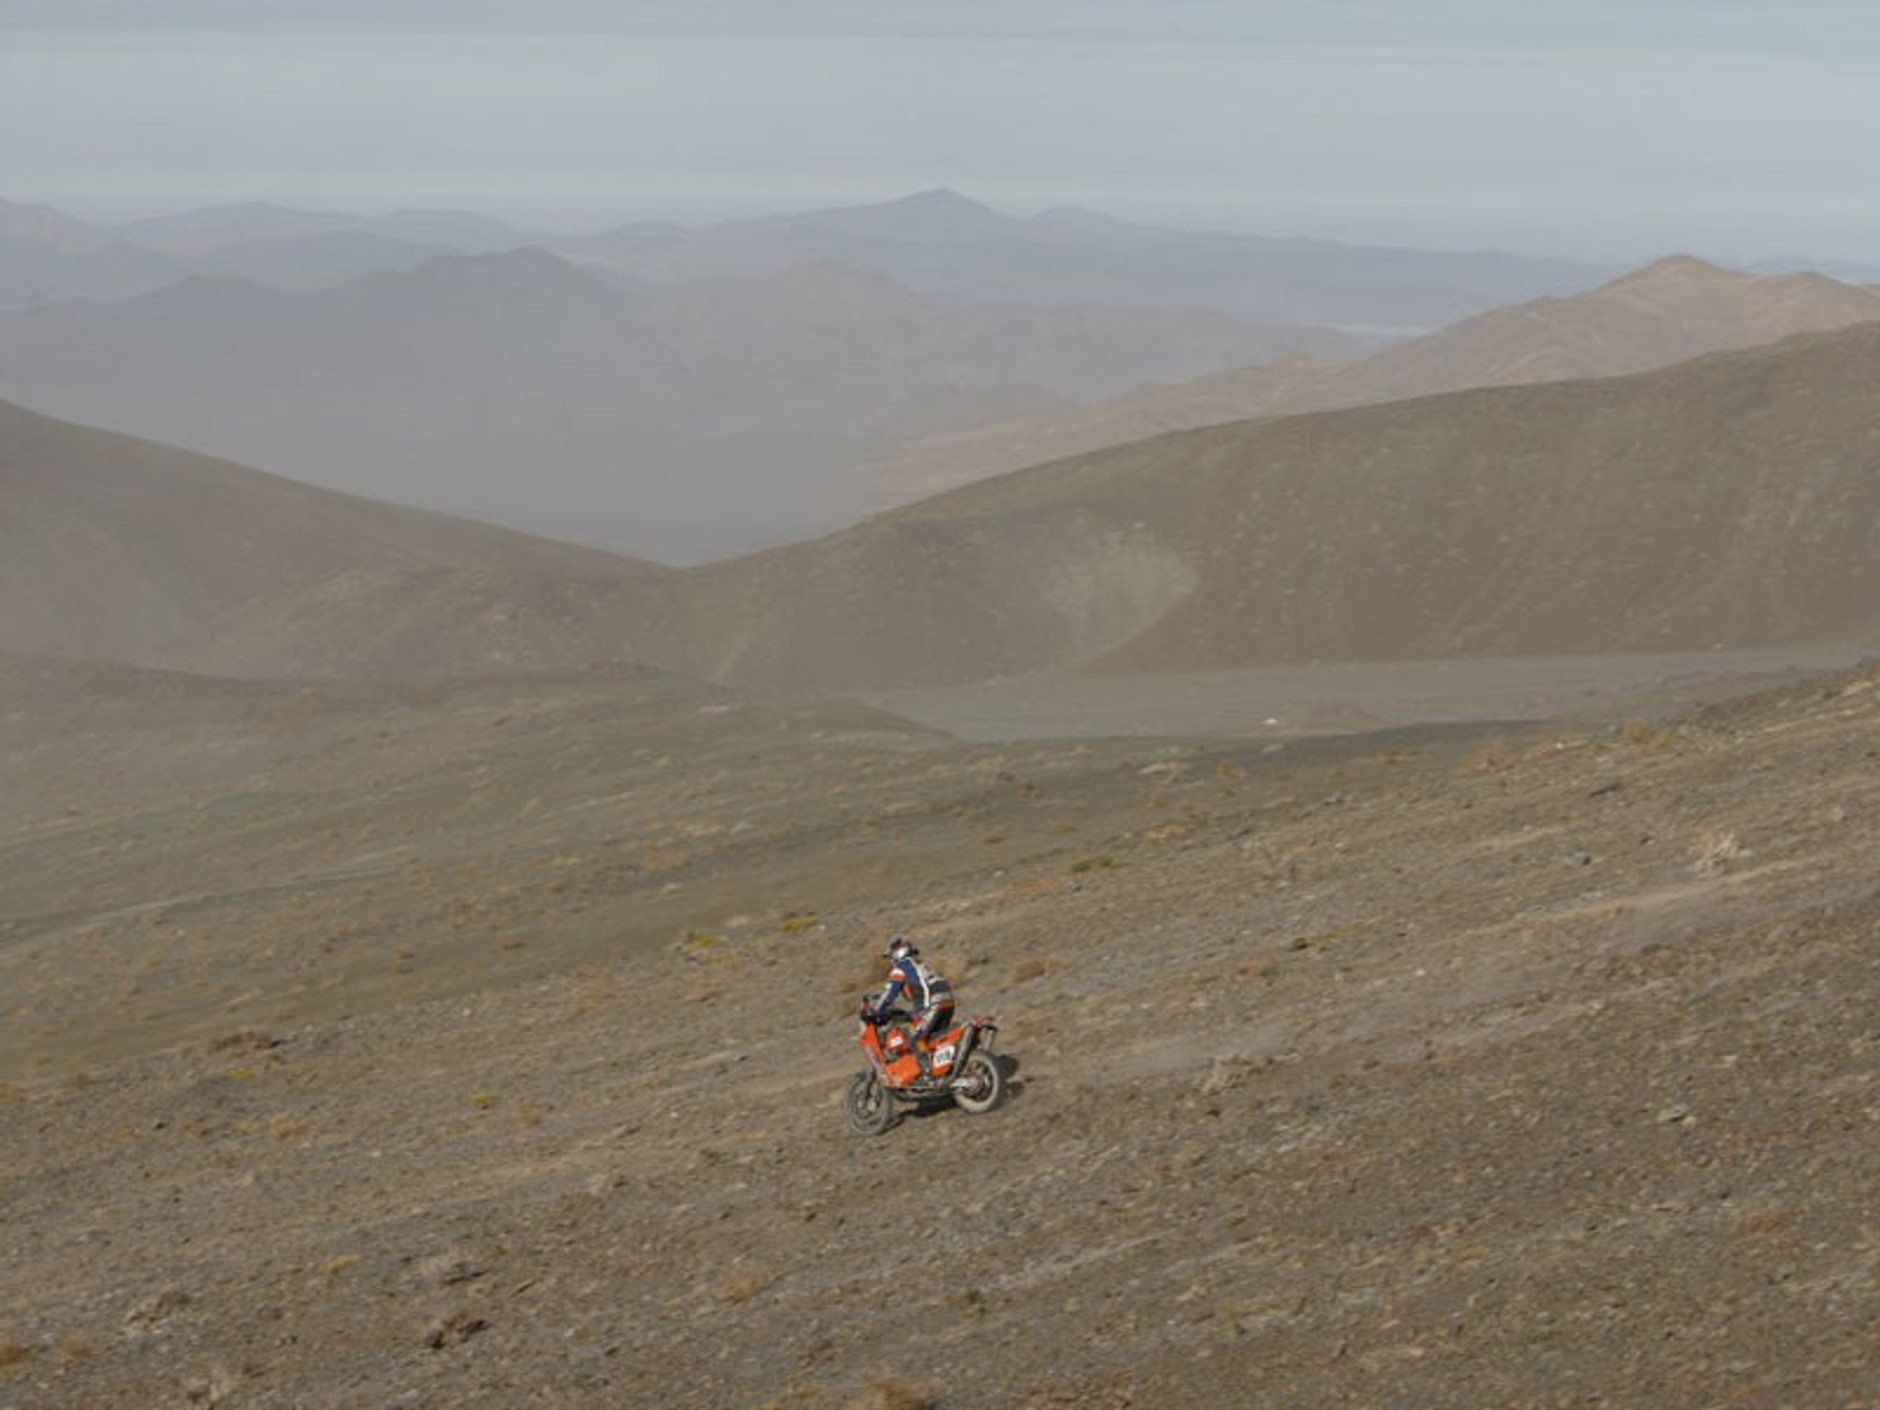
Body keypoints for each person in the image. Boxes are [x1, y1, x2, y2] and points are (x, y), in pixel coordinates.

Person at [864, 936, 955, 1073]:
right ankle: (944, 1069)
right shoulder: (920, 964)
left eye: (891, 957)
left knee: (913, 1037)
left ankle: (927, 1072)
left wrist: (876, 1010)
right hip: (948, 1001)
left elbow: (890, 994)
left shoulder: (902, 967)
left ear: (897, 953)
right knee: (933, 1038)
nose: (891, 962)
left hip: (933, 1004)